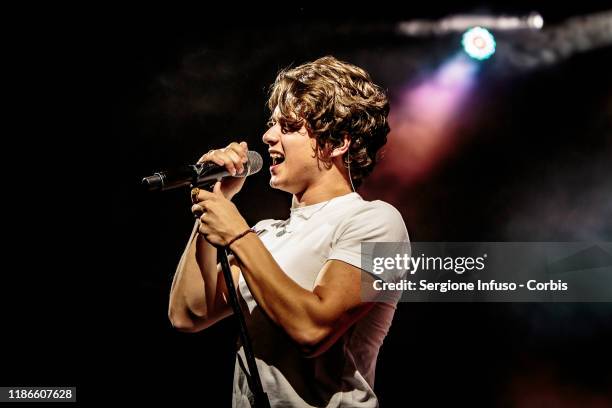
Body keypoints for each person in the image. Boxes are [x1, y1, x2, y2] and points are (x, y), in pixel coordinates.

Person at [168, 56, 409, 407]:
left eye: (290, 126)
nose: (267, 136)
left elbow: (313, 331)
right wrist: (212, 198)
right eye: (272, 124)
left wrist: (236, 233)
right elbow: (188, 314)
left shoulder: (377, 222)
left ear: (337, 143)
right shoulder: (266, 235)